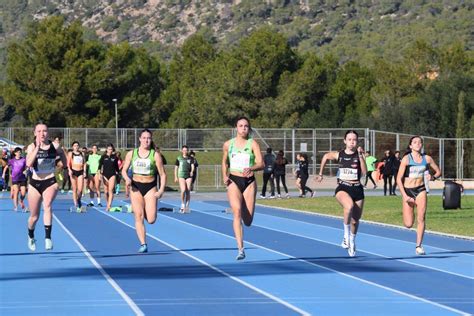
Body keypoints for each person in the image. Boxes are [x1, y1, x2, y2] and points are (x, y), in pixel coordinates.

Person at [316, 130, 367, 257]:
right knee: (348, 206)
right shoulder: (340, 155)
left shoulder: (359, 155)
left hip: (357, 189)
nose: (352, 142)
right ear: (345, 141)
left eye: (354, 140)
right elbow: (325, 156)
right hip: (343, 187)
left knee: (355, 221)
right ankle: (345, 236)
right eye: (349, 139)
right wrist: (320, 173)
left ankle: (352, 239)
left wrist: (361, 156)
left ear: (357, 141)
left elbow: (365, 172)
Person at [222, 116, 264, 260]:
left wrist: (252, 168)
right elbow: (224, 162)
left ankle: (249, 209)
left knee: (248, 221)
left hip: (249, 181)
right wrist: (224, 175)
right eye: (241, 126)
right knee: (237, 212)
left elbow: (261, 163)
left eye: (246, 126)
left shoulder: (253, 144)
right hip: (234, 179)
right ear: (236, 128)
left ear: (249, 128)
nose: (243, 128)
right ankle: (240, 248)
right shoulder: (228, 144)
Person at [122, 129, 166, 253]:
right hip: (135, 187)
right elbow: (124, 170)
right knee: (138, 216)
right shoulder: (132, 153)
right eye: (144, 138)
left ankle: (147, 210)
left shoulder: (155, 155)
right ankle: (143, 244)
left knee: (151, 219)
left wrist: (161, 190)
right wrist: (126, 179)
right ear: (140, 139)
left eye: (149, 138)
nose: (146, 140)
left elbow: (162, 174)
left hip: (150, 187)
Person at [396, 136, 441, 255]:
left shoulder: (427, 158)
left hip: (420, 189)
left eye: (420, 142)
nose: (418, 144)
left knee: (421, 217)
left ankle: (418, 246)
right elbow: (398, 179)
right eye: (415, 142)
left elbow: (438, 171)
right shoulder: (406, 159)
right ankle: (410, 213)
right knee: (408, 224)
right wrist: (404, 196)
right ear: (410, 146)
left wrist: (433, 177)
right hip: (408, 191)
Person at [25, 123, 61, 251]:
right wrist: (38, 148)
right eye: (39, 131)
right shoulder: (31, 147)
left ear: (48, 133)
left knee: (47, 206)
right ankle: (30, 235)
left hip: (50, 180)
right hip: (35, 183)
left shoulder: (54, 146)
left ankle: (48, 238)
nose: (42, 133)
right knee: (34, 217)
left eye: (44, 131)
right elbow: (28, 163)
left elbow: (63, 155)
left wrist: (67, 167)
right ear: (35, 133)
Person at [2, 147, 28, 211]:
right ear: (15, 153)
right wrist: (3, 174)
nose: (19, 153)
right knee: (16, 191)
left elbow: (28, 167)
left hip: (22, 178)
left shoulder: (24, 160)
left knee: (23, 193)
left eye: (20, 152)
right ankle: (16, 207)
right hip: (15, 178)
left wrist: (26, 170)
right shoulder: (12, 160)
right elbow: (6, 167)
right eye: (18, 152)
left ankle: (21, 200)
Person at [98, 144, 120, 211]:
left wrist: (118, 172)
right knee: (106, 192)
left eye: (111, 149)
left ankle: (109, 205)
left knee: (110, 190)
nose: (110, 150)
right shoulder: (103, 157)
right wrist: (99, 174)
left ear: (112, 150)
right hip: (105, 175)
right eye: (109, 149)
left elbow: (117, 167)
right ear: (106, 149)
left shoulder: (115, 157)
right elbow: (99, 166)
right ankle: (108, 203)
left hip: (112, 175)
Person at [67, 141, 87, 212]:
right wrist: (69, 170)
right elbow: (68, 164)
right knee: (74, 189)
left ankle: (79, 200)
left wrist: (84, 171)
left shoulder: (82, 153)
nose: (76, 147)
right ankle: (76, 204)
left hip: (80, 171)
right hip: (73, 172)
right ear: (73, 147)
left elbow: (84, 163)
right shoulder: (70, 154)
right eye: (75, 145)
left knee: (80, 189)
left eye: (77, 145)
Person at [174, 145, 194, 212]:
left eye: (186, 150)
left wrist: (191, 171)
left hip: (188, 176)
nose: (185, 151)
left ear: (187, 151)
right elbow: (176, 168)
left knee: (188, 190)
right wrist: (176, 176)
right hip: (181, 175)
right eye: (184, 150)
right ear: (182, 151)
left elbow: (192, 166)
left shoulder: (190, 158)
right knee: (183, 190)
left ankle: (187, 205)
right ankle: (182, 203)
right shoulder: (179, 158)